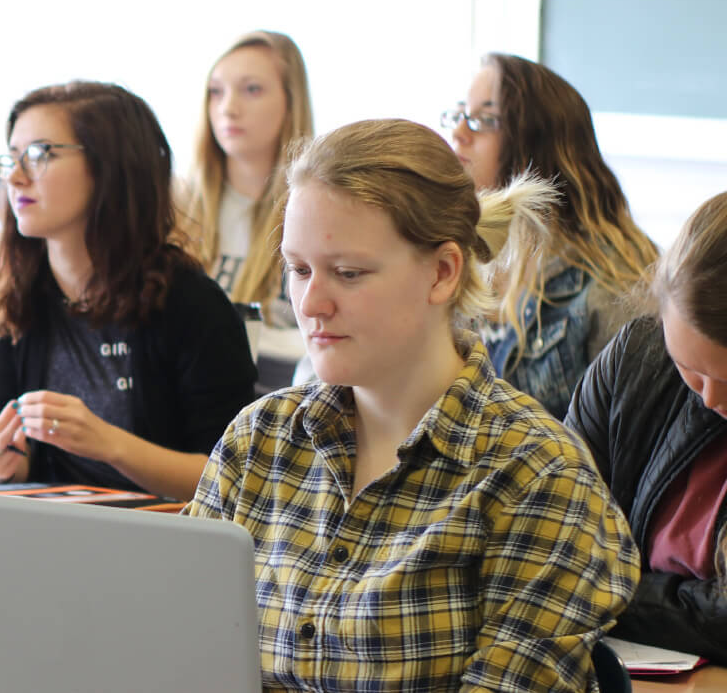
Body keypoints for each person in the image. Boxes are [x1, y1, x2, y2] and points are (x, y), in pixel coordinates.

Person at [184, 118, 639, 690]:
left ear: (443, 272)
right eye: (298, 270)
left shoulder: (536, 474)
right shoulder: (259, 441)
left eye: (349, 274)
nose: (312, 303)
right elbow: (174, 647)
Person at [0, 81, 256, 499]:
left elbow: (234, 479)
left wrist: (111, 446)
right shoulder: (23, 293)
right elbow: (17, 453)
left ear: (112, 167)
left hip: (160, 538)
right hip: (49, 529)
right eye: (10, 158)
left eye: (39, 154)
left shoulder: (191, 303)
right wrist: (0, 462)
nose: (14, 176)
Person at [447, 53, 659, 419]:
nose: (459, 133)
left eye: (482, 119)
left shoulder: (610, 288)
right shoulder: (466, 256)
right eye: (461, 114)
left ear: (534, 142)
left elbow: (630, 446)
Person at [566, 189, 727, 663]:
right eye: (689, 370)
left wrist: (606, 594)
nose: (711, 398)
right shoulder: (634, 358)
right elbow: (554, 538)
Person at [178, 30, 312, 323]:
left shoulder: (319, 212)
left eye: (251, 89)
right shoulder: (176, 207)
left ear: (291, 101)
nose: (228, 108)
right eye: (216, 92)